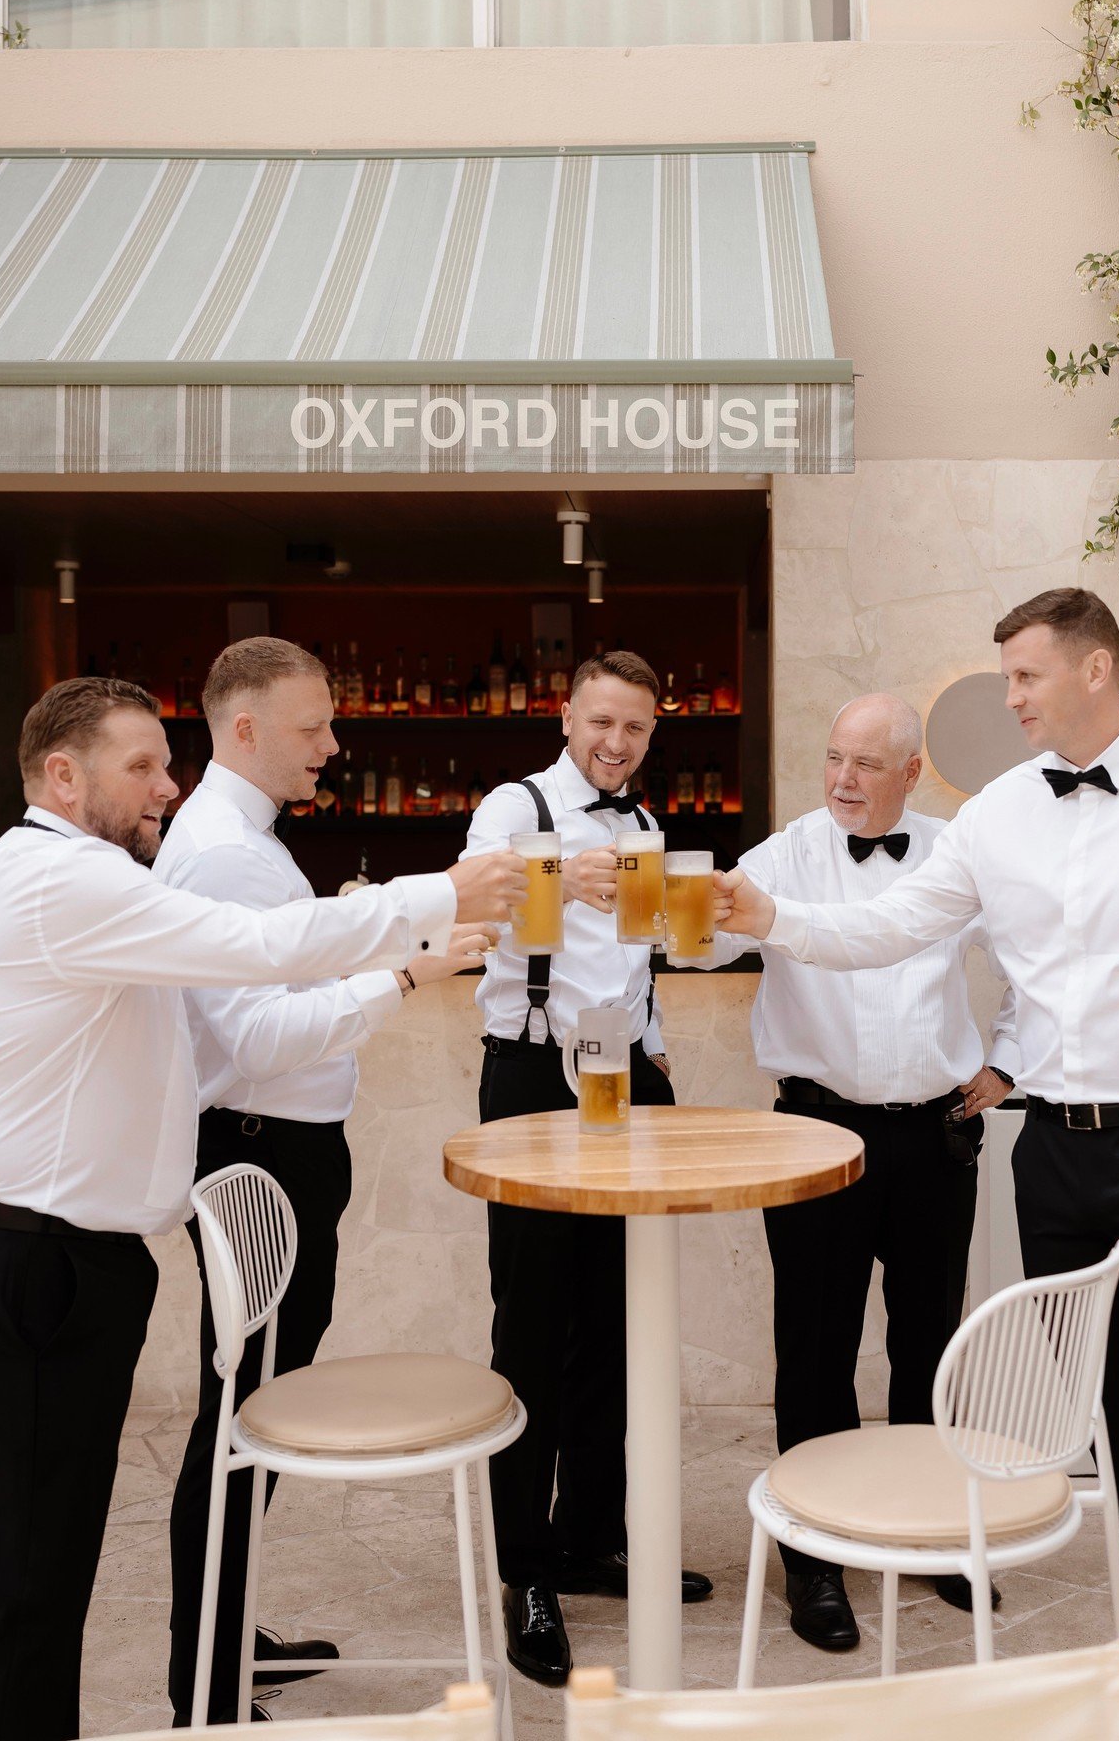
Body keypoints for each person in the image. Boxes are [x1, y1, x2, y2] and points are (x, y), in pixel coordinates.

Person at [714, 589, 1119, 1741]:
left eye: (1026, 677)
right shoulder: (996, 815)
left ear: (1096, 670)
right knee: (1117, 1434)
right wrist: (770, 914)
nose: (1010, 699)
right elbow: (887, 927)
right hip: (1058, 1164)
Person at [0, 676, 523, 1741]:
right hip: (28, 1266)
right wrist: (442, 895)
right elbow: (263, 952)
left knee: (51, 1576)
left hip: (72, 1266)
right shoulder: (56, 880)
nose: (169, 785)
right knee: (27, 1587)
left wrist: (395, 958)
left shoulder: (90, 880)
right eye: (142, 766)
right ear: (62, 776)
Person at [153, 638, 493, 1725]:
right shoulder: (224, 855)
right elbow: (258, 1040)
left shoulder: (239, 842)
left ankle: (225, 1622)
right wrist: (401, 973)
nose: (333, 747)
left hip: (280, 1149)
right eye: (312, 728)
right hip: (260, 1152)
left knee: (253, 1403)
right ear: (243, 729)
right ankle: (204, 1680)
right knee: (242, 1414)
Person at [677, 692, 1016, 1650]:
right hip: (816, 1133)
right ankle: (812, 1561)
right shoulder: (785, 853)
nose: (842, 781)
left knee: (928, 1345)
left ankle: (932, 1539)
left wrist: (1012, 1059)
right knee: (815, 1352)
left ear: (912, 773)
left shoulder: (958, 851)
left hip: (936, 1134)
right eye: (834, 758)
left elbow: (1038, 960)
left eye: (867, 765)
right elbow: (696, 945)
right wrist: (669, 912)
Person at [460, 648, 711, 1686]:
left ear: (653, 734)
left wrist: (656, 1043)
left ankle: (589, 1537)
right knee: (533, 1324)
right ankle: (524, 1568)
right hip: (530, 1079)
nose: (616, 744)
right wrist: (571, 868)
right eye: (602, 723)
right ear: (567, 715)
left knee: (617, 1317)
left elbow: (644, 956)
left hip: (622, 1079)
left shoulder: (649, 827)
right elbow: (477, 912)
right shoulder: (513, 809)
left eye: (636, 730)